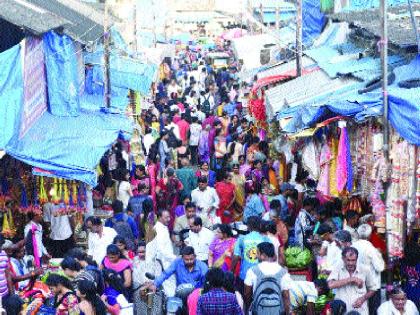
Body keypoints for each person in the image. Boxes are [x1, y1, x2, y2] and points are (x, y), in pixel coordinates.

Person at [244, 242, 292, 315]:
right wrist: (288, 312)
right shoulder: (283, 272)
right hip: (278, 311)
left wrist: (248, 309)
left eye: (257, 253)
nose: (256, 256)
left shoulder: (252, 271)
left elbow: (247, 293)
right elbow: (286, 296)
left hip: (258, 311)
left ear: (263, 255)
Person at [327, 247, 376, 315]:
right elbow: (330, 285)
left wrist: (362, 299)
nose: (351, 263)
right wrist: (351, 279)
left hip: (360, 311)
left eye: (353, 260)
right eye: (348, 260)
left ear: (357, 259)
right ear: (343, 259)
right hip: (342, 311)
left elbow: (373, 289)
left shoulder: (365, 269)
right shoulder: (338, 268)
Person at [231, 216, 271, 293]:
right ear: (260, 225)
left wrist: (231, 271)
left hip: (244, 276)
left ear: (248, 227)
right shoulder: (266, 239)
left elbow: (236, 257)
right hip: (262, 276)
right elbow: (271, 257)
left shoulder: (242, 239)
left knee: (245, 300)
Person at [352, 224, 384, 314]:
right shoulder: (371, 249)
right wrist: (379, 254)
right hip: (372, 286)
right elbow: (380, 267)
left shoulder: (353, 246)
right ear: (370, 236)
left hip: (357, 282)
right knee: (373, 310)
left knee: (359, 309)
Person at [154, 209, 176, 296]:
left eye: (169, 217)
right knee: (169, 287)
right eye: (166, 217)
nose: (169, 219)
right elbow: (161, 250)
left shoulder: (164, 227)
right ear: (159, 218)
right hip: (164, 262)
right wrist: (175, 258)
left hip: (168, 261)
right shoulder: (158, 229)